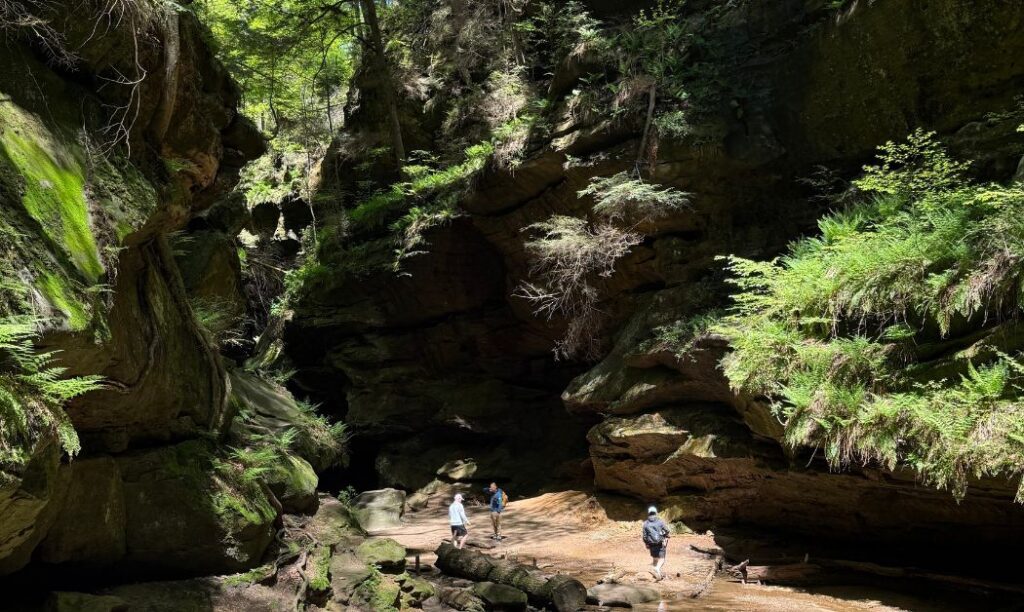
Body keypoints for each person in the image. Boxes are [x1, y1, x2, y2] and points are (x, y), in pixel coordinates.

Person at [642, 506, 670, 581]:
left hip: (651, 543)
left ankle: (655, 572)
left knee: (655, 557)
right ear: (655, 513)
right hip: (660, 542)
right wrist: (666, 534)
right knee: (662, 559)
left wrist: (646, 544)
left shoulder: (645, 524)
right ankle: (657, 568)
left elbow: (644, 536)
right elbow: (667, 530)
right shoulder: (660, 522)